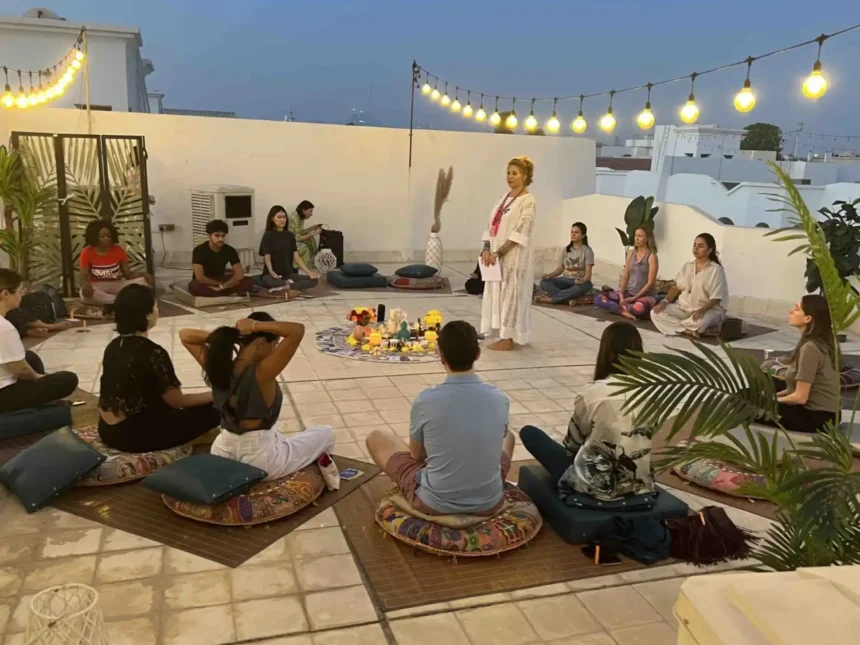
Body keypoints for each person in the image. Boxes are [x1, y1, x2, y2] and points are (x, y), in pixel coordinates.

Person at [365, 321, 515, 515]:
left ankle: (423, 491)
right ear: (477, 354)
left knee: (376, 438)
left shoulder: (426, 400)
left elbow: (417, 456)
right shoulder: (500, 398)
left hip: (434, 503)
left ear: (440, 356)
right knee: (509, 436)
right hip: (489, 501)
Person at [180, 313, 335, 480]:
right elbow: (297, 330)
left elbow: (185, 335)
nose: (274, 351)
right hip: (260, 462)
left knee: (281, 436)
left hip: (222, 453)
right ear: (261, 342)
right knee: (325, 433)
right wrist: (255, 326)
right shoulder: (262, 373)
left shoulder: (219, 367)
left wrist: (230, 337)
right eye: (274, 345)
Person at [520, 322, 654, 501]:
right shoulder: (652, 394)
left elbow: (573, 444)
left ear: (606, 353)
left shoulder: (593, 393)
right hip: (638, 483)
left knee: (530, 434)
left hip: (593, 485)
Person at [97, 284, 220, 452]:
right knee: (216, 408)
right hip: (131, 437)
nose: (157, 310)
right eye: (155, 306)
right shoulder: (152, 352)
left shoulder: (113, 346)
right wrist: (215, 395)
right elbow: (177, 401)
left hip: (106, 429)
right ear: (147, 315)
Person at [0, 269, 78, 413]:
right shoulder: (4, 328)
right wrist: (39, 378)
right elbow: (21, 370)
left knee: (30, 357)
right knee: (68, 379)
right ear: (5, 294)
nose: (21, 295)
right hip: (3, 395)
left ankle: (41, 395)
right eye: (19, 291)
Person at [480, 156, 537, 351]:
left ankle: (508, 338)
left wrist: (500, 251)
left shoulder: (527, 201)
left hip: (513, 256)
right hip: (496, 255)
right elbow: (490, 225)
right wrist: (487, 249)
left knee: (511, 293)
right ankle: (497, 331)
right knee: (497, 291)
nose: (510, 177)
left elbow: (521, 231)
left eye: (515, 173)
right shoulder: (503, 199)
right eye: (508, 173)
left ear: (525, 176)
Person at [760, 295, 840, 433]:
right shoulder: (818, 342)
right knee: (760, 382)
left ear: (808, 318)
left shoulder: (811, 348)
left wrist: (770, 400)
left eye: (796, 309)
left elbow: (800, 397)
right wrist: (772, 397)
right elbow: (793, 389)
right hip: (827, 414)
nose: (790, 312)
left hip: (818, 418)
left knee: (744, 405)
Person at [651, 233, 729, 338]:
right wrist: (664, 302)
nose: (696, 248)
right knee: (655, 313)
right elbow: (676, 287)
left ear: (710, 250)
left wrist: (702, 310)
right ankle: (688, 330)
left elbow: (716, 298)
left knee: (701, 322)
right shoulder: (687, 266)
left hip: (707, 310)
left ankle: (683, 327)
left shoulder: (716, 270)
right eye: (694, 245)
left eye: (700, 246)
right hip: (683, 308)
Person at [79, 219, 152, 306]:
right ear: (94, 237)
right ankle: (120, 300)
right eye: (102, 236)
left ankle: (113, 301)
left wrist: (143, 274)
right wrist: (86, 285)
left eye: (109, 236)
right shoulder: (87, 252)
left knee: (143, 282)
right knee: (84, 294)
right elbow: (82, 278)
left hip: (117, 284)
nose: (107, 239)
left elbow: (128, 275)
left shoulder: (118, 250)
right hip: (98, 286)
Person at [595, 226, 659, 319]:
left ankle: (622, 308)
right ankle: (622, 310)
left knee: (638, 309)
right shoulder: (630, 253)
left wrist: (634, 298)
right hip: (629, 292)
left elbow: (650, 283)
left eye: (640, 236)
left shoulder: (651, 256)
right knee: (598, 299)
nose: (637, 238)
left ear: (648, 238)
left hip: (645, 295)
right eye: (636, 235)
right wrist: (621, 295)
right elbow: (626, 275)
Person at [257, 205, 319, 299]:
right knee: (268, 281)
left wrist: (309, 272)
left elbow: (296, 256)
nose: (282, 220)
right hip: (272, 275)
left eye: (284, 217)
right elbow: (267, 256)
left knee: (314, 280)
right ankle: (291, 286)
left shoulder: (290, 235)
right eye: (279, 217)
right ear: (272, 219)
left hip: (288, 274)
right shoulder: (268, 235)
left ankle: (284, 287)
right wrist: (271, 271)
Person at [189, 219, 257, 297]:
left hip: (221, 279)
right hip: (206, 281)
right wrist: (220, 284)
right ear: (209, 235)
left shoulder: (229, 250)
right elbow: (200, 277)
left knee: (248, 281)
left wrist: (223, 286)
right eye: (217, 236)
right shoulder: (199, 250)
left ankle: (220, 292)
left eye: (223, 236)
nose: (221, 239)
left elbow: (239, 274)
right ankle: (227, 292)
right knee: (195, 286)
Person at [537, 222, 595, 306]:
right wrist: (549, 275)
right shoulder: (565, 250)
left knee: (578, 289)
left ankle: (551, 299)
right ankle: (569, 298)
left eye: (576, 232)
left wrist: (582, 280)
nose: (573, 234)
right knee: (544, 282)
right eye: (572, 232)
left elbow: (588, 274)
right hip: (565, 280)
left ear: (583, 235)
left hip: (580, 282)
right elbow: (560, 269)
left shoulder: (587, 251)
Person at [288, 200, 322, 269]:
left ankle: (311, 263)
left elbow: (299, 232)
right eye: (310, 211)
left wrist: (312, 228)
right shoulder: (294, 218)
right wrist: (314, 233)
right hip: (286, 241)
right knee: (305, 244)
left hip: (292, 238)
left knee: (310, 239)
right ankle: (303, 267)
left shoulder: (300, 217)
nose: (311, 214)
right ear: (303, 210)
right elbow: (296, 238)